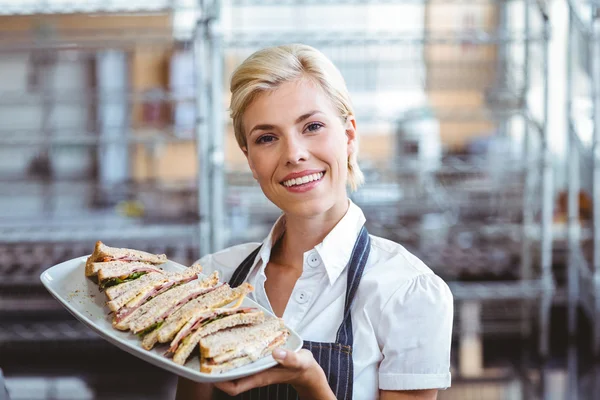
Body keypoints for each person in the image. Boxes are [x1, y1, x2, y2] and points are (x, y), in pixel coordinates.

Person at [175, 44, 453, 400]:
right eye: (267, 138)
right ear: (249, 157)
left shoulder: (408, 293)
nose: (294, 154)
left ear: (349, 135)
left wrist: (312, 385)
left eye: (313, 126)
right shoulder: (211, 282)